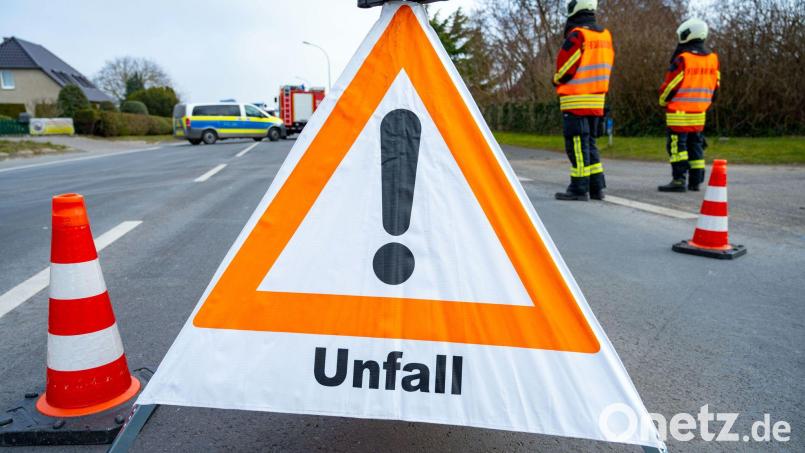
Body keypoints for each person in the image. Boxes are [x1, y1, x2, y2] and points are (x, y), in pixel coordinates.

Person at [553, 0, 614, 201]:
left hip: (577, 100)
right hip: (597, 101)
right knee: (590, 144)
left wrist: (556, 79)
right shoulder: (605, 35)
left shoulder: (578, 35)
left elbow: (566, 66)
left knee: (577, 146)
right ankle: (597, 188)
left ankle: (579, 188)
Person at [657, 18, 720, 192]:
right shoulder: (713, 59)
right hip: (699, 113)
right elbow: (716, 88)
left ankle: (678, 180)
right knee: (696, 145)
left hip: (679, 113)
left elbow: (670, 85)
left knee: (677, 147)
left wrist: (662, 101)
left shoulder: (683, 59)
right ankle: (695, 181)